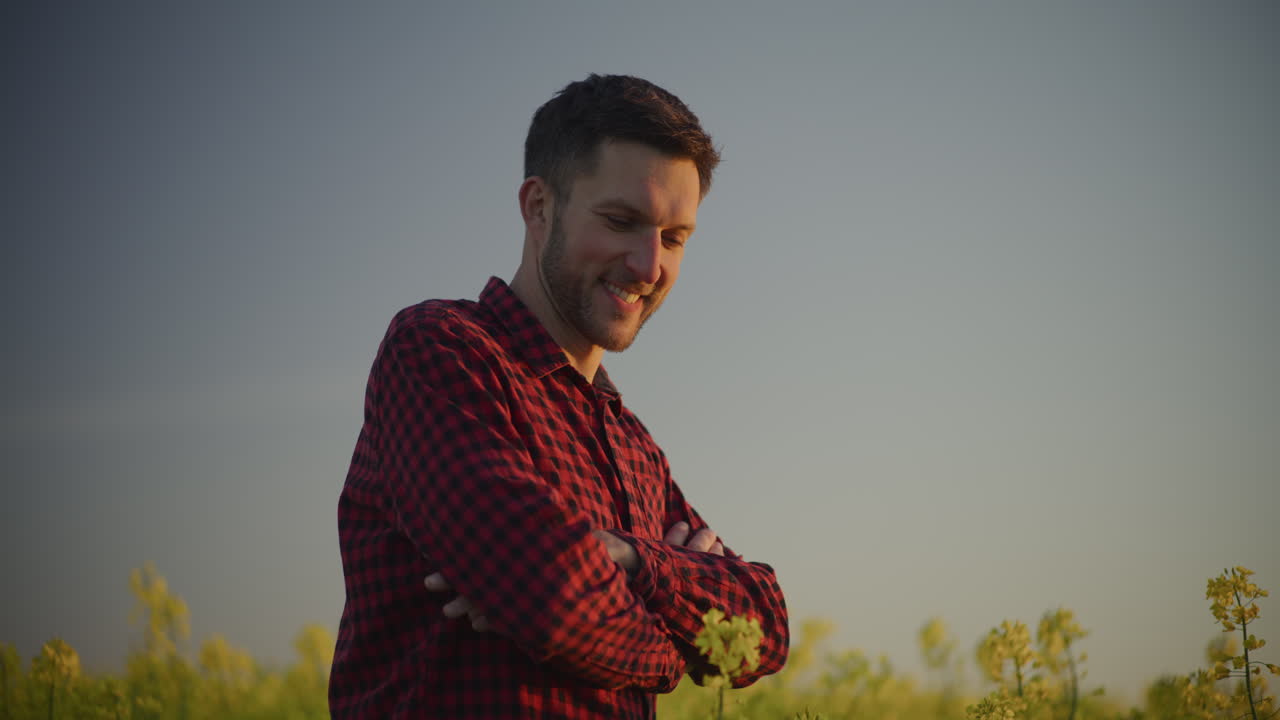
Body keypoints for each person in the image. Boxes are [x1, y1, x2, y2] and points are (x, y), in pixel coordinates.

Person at [329, 73, 789, 719]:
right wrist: (676, 650)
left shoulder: (632, 444)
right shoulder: (440, 351)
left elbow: (762, 631)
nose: (648, 265)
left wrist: (630, 559)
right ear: (539, 206)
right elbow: (553, 599)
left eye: (675, 237)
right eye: (621, 221)